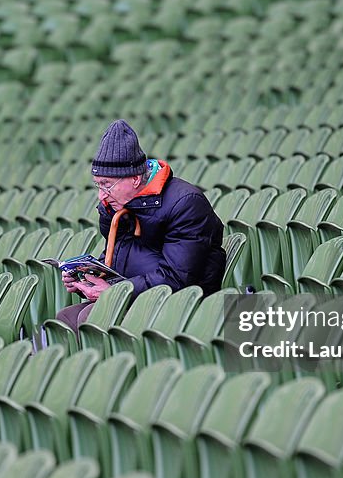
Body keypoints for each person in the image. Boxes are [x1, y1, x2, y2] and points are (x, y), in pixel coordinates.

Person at [54, 119, 226, 332]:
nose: (101, 195)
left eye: (107, 185)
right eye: (98, 185)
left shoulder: (186, 203)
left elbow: (177, 278)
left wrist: (115, 291)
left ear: (135, 179)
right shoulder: (118, 205)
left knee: (91, 318)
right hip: (136, 295)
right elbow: (120, 258)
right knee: (64, 321)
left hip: (179, 303)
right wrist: (84, 278)